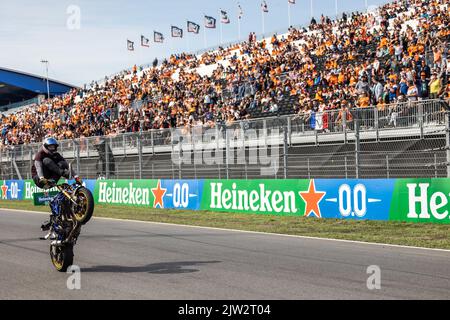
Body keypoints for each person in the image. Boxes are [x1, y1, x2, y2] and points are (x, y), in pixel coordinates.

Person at [31, 137, 82, 237]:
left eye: (54, 146)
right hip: (39, 178)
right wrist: (41, 178)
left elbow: (67, 165)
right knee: (46, 160)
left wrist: (76, 176)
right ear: (45, 147)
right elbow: (38, 167)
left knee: (62, 163)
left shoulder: (56, 155)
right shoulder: (40, 154)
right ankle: (64, 174)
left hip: (51, 178)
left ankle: (64, 219)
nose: (52, 148)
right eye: (50, 146)